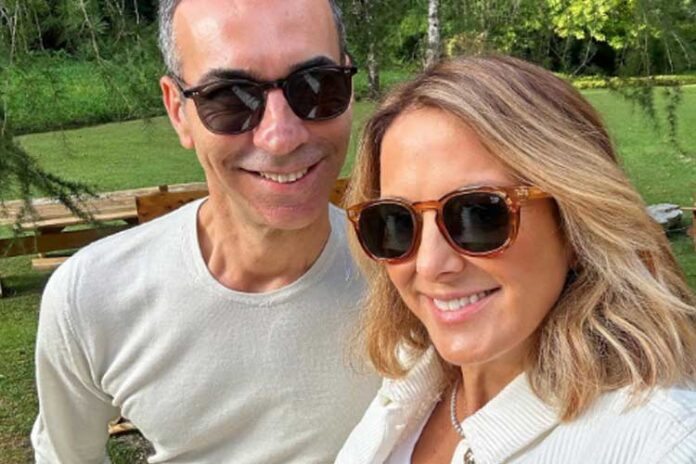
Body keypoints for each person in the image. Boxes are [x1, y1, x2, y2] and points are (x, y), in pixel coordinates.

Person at [31, 0, 380, 462]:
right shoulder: (93, 294)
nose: (281, 136)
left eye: (317, 85)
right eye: (230, 98)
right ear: (178, 110)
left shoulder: (412, 281)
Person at [337, 55, 696, 463]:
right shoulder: (411, 375)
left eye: (480, 215)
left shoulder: (663, 445)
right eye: (395, 222)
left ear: (574, 225)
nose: (429, 264)